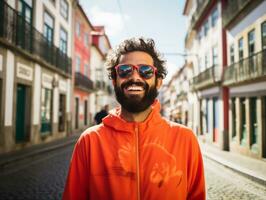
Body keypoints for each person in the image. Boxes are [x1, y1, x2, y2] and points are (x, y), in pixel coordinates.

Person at [63, 38, 206, 200]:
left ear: (158, 82)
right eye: (125, 70)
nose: (135, 77)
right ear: (115, 81)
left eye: (146, 71)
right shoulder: (90, 141)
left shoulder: (185, 139)